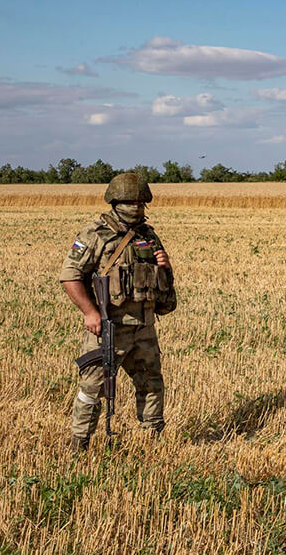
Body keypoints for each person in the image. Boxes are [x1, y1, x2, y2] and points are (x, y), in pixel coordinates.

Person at [59, 172, 176, 450]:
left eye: (140, 202)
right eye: (130, 201)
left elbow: (163, 290)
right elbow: (70, 275)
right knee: (92, 389)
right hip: (109, 326)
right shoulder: (95, 234)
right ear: (116, 201)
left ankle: (153, 440)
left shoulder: (148, 236)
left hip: (143, 327)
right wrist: (90, 312)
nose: (136, 207)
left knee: (151, 384)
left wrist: (165, 266)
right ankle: (80, 444)